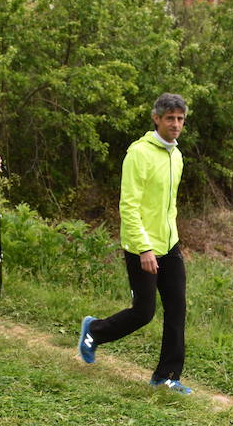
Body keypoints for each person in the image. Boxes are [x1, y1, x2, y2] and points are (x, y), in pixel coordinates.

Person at [78, 93, 192, 394]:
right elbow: (128, 206)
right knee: (143, 312)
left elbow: (169, 206)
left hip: (170, 246)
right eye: (170, 118)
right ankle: (94, 331)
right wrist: (144, 247)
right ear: (157, 119)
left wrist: (172, 238)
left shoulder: (177, 155)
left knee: (177, 308)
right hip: (141, 246)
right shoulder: (139, 153)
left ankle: (167, 376)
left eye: (180, 119)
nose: (176, 124)